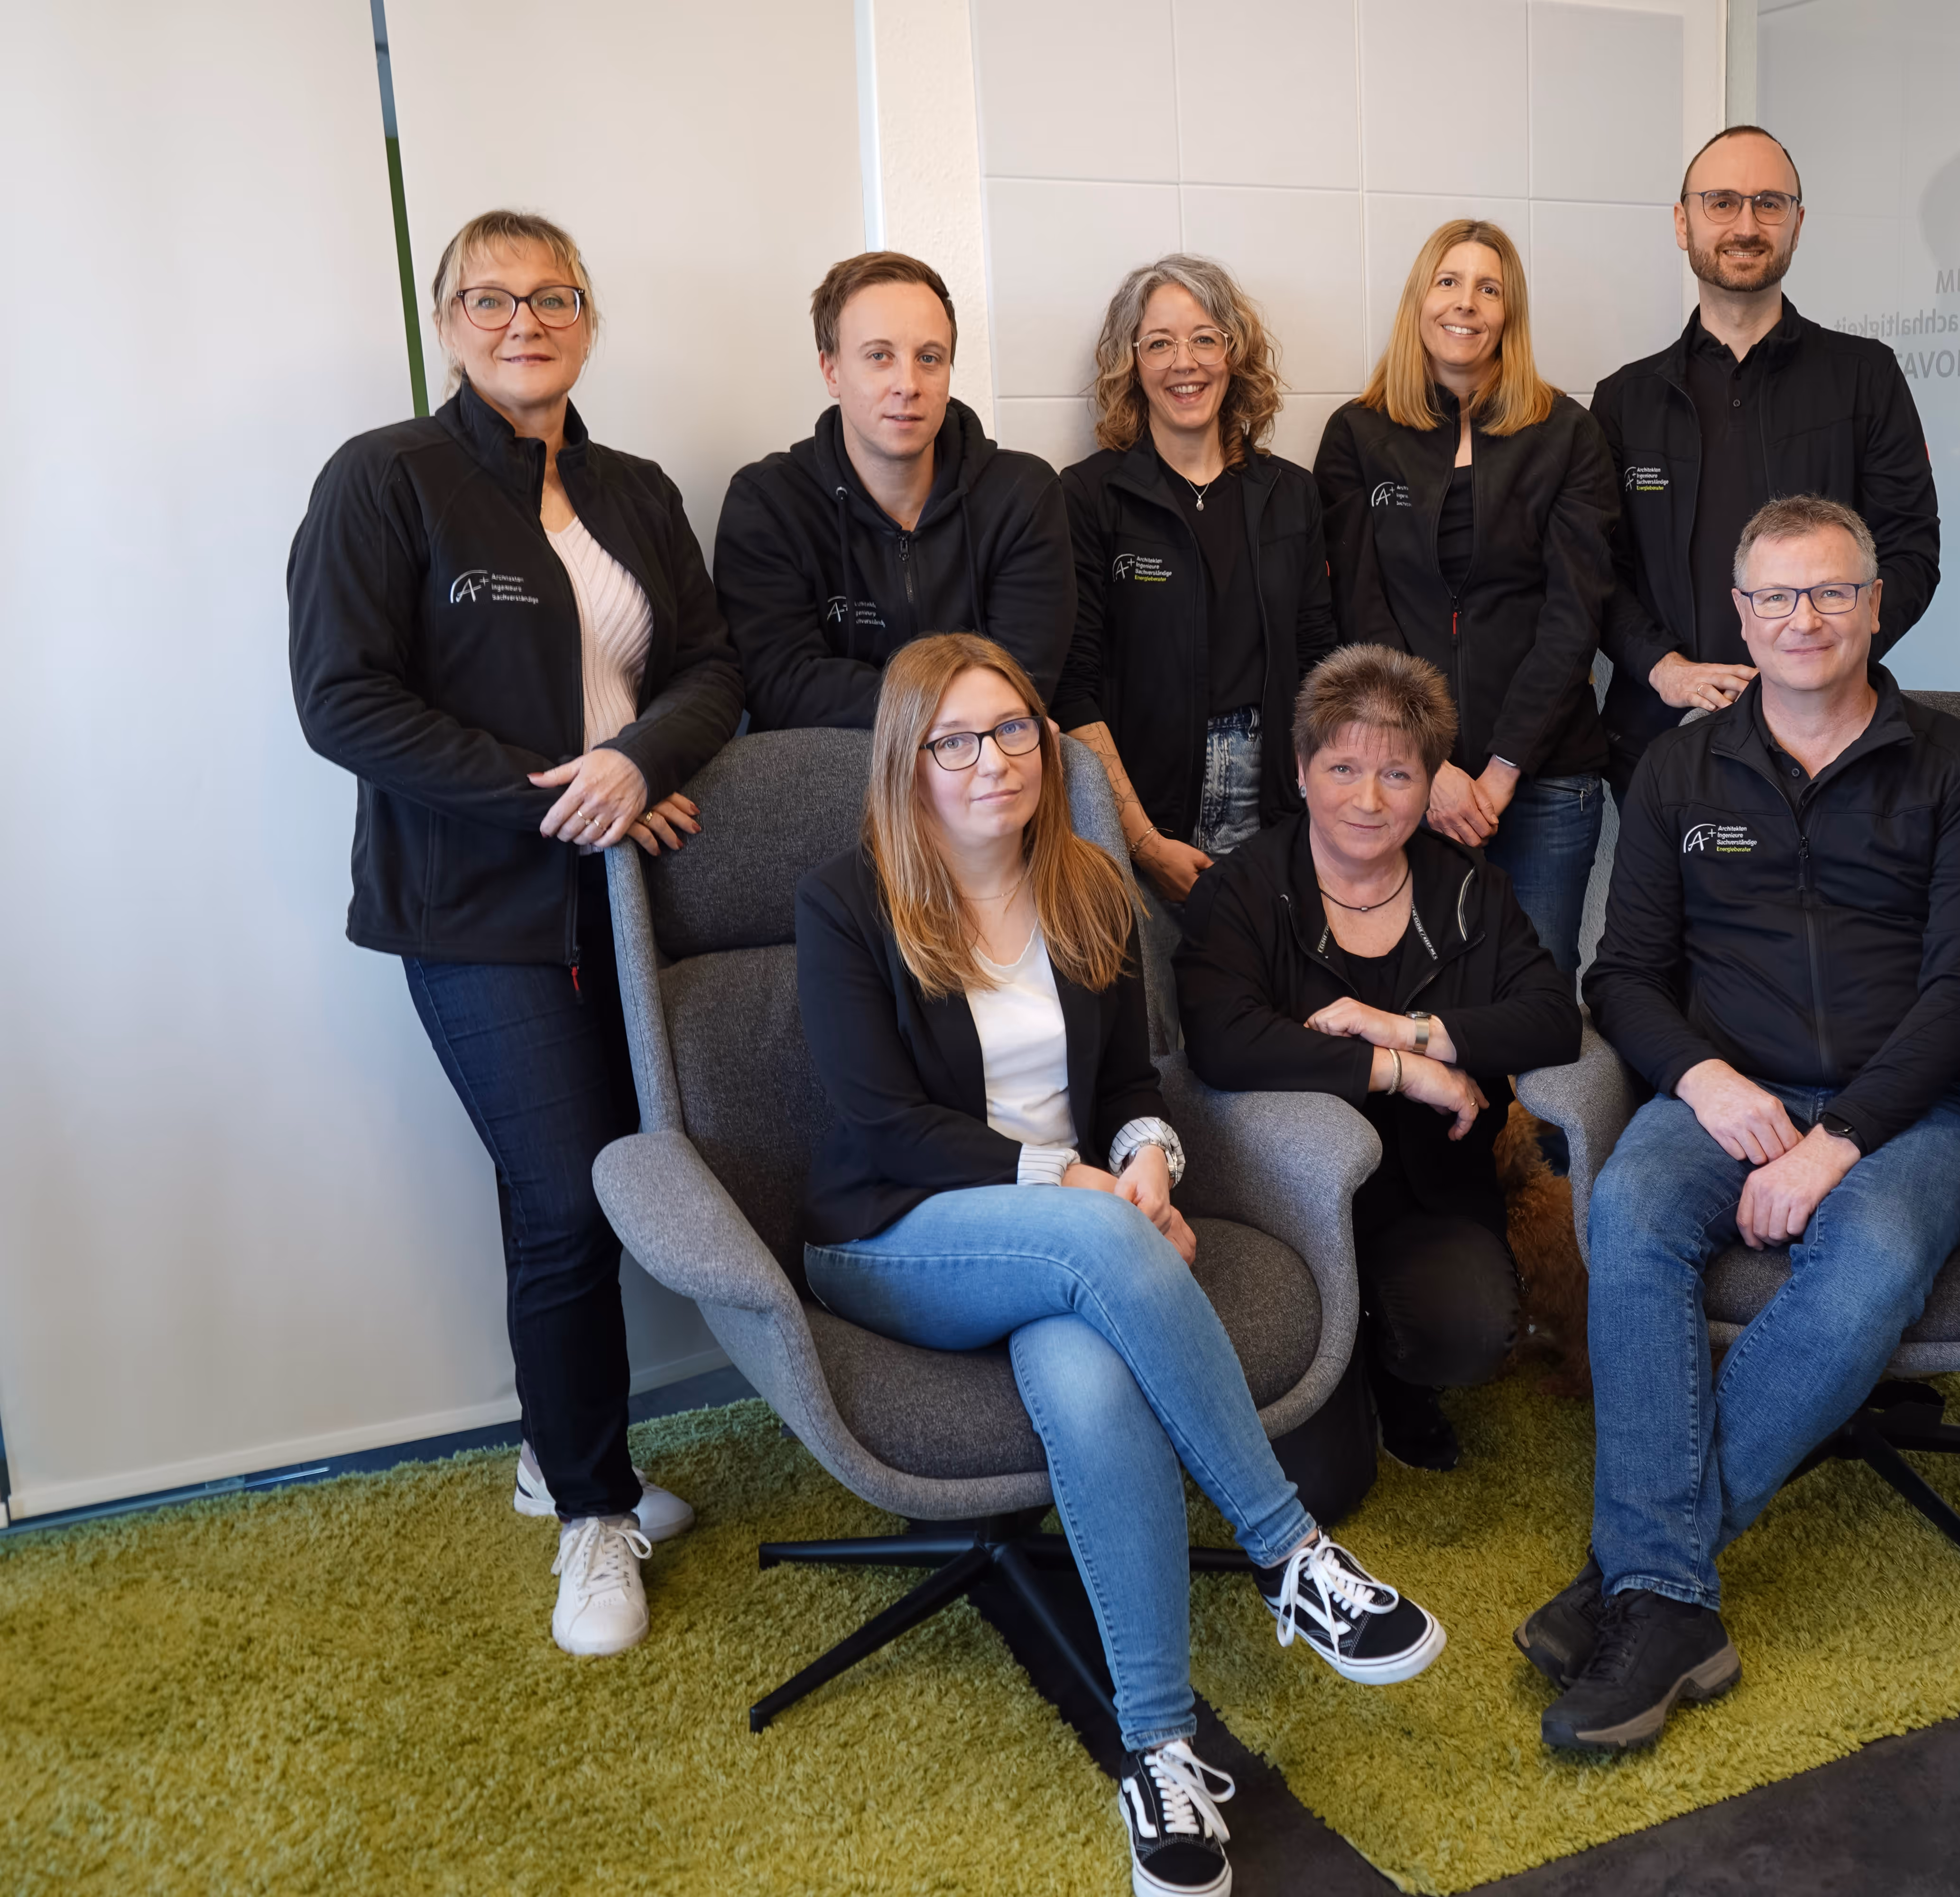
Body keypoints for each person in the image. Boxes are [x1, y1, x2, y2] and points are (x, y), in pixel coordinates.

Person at [795, 632, 1444, 1897]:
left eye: (1017, 731)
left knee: (1091, 1381)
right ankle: (1290, 1554)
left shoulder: (1086, 883)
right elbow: (880, 1119)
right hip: (896, 1232)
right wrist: (1088, 1192)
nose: (995, 761)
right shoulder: (848, 899)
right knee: (1094, 1243)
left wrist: (1147, 1166)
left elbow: (1138, 1087)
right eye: (958, 740)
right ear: (907, 762)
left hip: (1071, 1245)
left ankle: (1158, 1750)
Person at [287, 210, 743, 1658]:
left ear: (589, 317)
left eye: (553, 296)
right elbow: (343, 701)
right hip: (477, 910)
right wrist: (568, 795)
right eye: (491, 298)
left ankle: (557, 1447)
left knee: (597, 1184)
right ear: (448, 318)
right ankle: (590, 1514)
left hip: (628, 902)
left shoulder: (634, 489)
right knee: (563, 1198)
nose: (524, 320)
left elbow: (710, 667)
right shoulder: (387, 481)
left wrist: (641, 768)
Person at [1517, 495, 1960, 1752]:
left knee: (1873, 1262)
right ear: (1740, 617)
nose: (1804, 619)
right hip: (1729, 1092)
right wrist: (1703, 1080)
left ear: (1875, 607)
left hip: (1913, 1111)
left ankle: (1645, 1580)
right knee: (1628, 1216)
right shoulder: (1680, 769)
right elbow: (1622, 972)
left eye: (1831, 592)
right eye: (1777, 598)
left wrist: (1840, 1139)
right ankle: (1671, 1596)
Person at [1176, 647, 1581, 1470]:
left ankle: (1394, 1361)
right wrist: (1400, 1073)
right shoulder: (1243, 889)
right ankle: (1342, 1360)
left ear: (1430, 783)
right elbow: (1221, 1040)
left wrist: (1410, 1030)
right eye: (1342, 767)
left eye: (1397, 776)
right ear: (1300, 771)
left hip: (1433, 1196)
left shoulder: (1472, 889)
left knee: (1469, 1333)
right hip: (1280, 1200)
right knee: (1325, 1481)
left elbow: (1550, 1022)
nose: (1367, 799)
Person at [1591, 126, 1942, 798]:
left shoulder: (1865, 378)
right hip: (1659, 742)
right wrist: (1664, 668)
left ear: (1798, 224)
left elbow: (1910, 552)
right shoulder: (1624, 401)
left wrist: (1819, 667)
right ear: (1682, 221)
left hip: (1830, 743)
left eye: (1769, 204)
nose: (1746, 224)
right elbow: (1598, 574)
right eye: (1721, 202)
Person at [1316, 219, 1620, 975]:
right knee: (1421, 995)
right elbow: (1361, 613)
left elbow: (1573, 615)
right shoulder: (1357, 435)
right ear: (1420, 300)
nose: (1468, 303)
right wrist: (1432, 763)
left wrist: (1502, 770)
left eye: (1490, 289)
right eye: (1449, 282)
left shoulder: (1568, 433)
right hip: (1405, 777)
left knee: (1534, 997)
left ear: (1510, 313)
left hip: (1547, 779)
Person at [1055, 255, 1339, 908]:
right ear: (1133, 365)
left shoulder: (1292, 495)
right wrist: (1144, 843)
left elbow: (1322, 654)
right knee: (1154, 1006)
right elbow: (1070, 688)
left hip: (1275, 803)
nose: (1185, 362)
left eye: (1205, 338)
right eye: (1159, 343)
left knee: (1254, 997)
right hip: (1136, 808)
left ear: (1234, 354)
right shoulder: (1089, 497)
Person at [716, 251, 1073, 728]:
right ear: (831, 371)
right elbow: (782, 687)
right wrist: (968, 708)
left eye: (929, 358)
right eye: (879, 356)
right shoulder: (768, 503)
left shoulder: (1023, 497)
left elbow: (1025, 681)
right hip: (828, 785)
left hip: (978, 791)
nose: (907, 384)